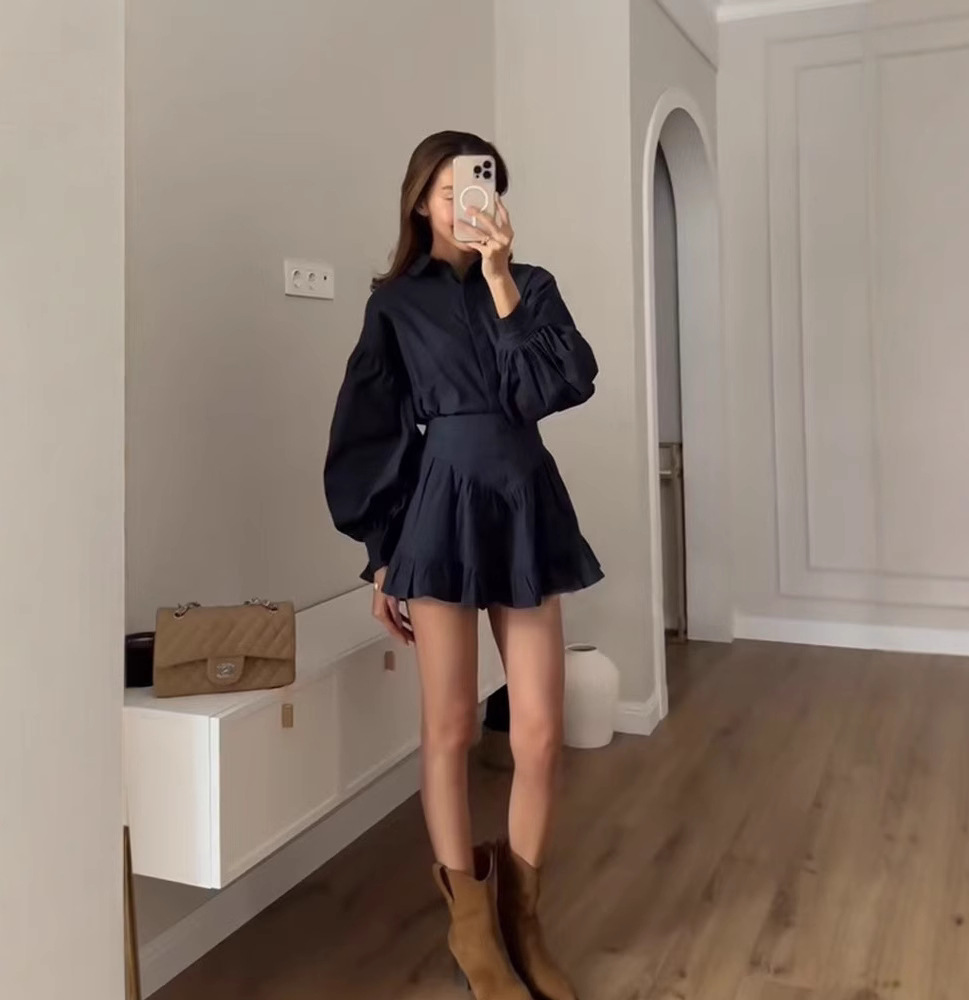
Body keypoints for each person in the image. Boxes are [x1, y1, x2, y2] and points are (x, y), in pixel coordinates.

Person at [323, 131, 602, 1000]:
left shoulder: (531, 286)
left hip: (524, 505)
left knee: (539, 732)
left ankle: (522, 916)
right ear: (420, 201)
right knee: (448, 728)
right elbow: (369, 431)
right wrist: (382, 557)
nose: (466, 203)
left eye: (480, 187)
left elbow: (555, 386)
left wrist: (502, 278)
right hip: (439, 512)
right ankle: (471, 929)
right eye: (449, 191)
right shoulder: (395, 306)